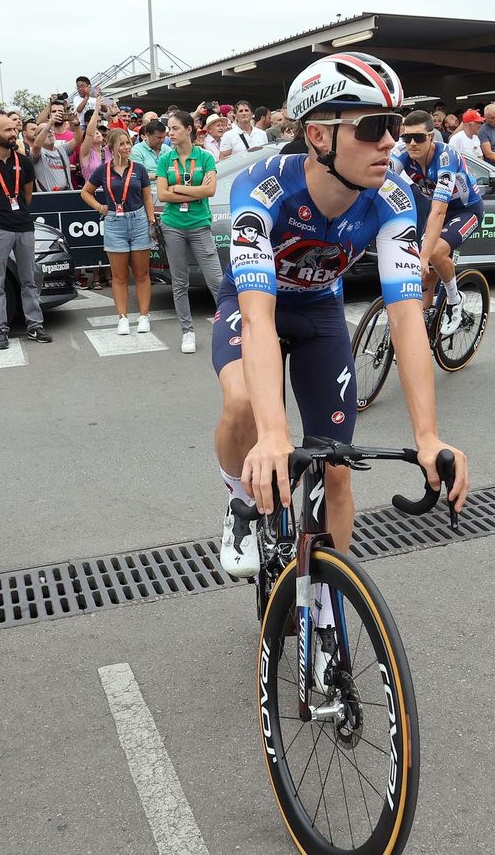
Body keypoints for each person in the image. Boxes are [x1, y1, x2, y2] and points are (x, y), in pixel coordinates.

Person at [213, 52, 468, 595]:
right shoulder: (261, 191)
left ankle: (327, 610)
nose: (390, 143)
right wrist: (275, 434)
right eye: (373, 127)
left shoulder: (393, 198)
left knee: (337, 466)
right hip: (255, 303)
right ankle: (238, 498)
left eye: (395, 126)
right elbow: (257, 321)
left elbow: (405, 320)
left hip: (320, 311)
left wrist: (427, 437)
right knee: (243, 407)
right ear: (319, 136)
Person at [390, 111, 485, 336]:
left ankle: (455, 301)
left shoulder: (446, 158)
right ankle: (425, 315)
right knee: (424, 270)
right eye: (407, 137)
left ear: (431, 137)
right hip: (438, 210)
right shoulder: (402, 153)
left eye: (419, 138)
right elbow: (381, 186)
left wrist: (424, 256)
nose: (412, 143)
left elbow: (439, 211)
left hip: (465, 210)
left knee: (433, 253)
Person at [0, 114, 51, 350]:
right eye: (7, 130)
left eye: (14, 129)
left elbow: (27, 196)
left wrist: (16, 212)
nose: (13, 134)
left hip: (24, 226)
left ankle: (35, 325)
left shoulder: (24, 162)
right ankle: (0, 330)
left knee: (29, 279)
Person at [80, 128, 156, 336]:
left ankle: (143, 315)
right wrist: (100, 207)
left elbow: (147, 197)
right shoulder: (103, 170)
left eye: (128, 143)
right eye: (121, 144)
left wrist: (151, 219)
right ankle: (122, 317)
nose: (126, 147)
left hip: (138, 220)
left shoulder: (138, 169)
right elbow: (85, 192)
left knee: (141, 273)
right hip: (114, 222)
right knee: (119, 275)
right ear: (111, 148)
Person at [156, 112, 221, 355]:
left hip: (199, 224)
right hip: (172, 224)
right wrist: (196, 190)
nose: (170, 133)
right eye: (169, 129)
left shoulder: (204, 157)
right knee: (180, 282)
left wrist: (179, 188)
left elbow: (211, 190)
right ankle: (187, 331)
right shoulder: (166, 159)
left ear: (189, 130)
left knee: (216, 280)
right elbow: (163, 195)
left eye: (174, 128)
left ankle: (229, 327)